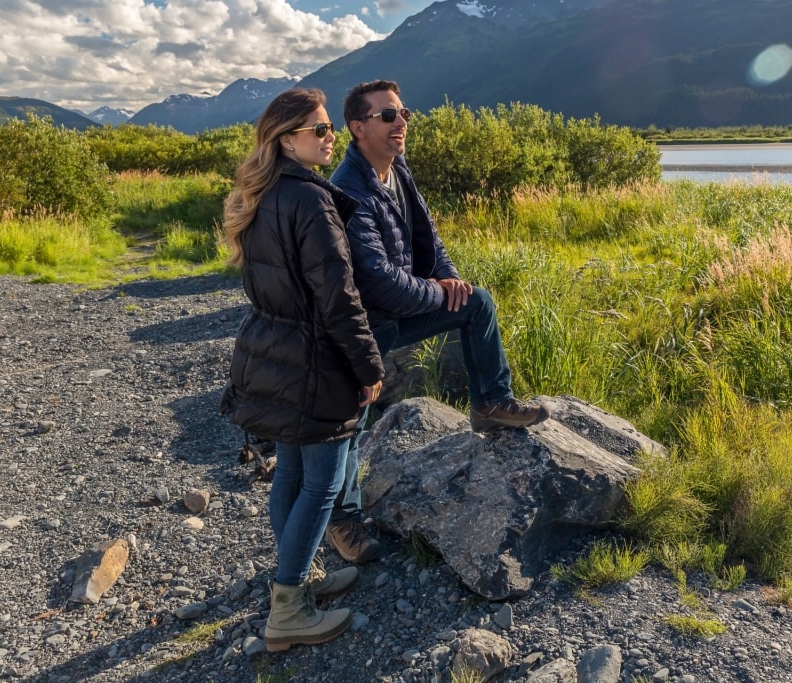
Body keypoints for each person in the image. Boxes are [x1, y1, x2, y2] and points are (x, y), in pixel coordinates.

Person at [325, 79, 550, 563]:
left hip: (397, 312)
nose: (401, 123)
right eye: (388, 116)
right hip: (361, 328)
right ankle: (342, 522)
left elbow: (431, 241)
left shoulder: (396, 171)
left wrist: (452, 283)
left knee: (477, 303)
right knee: (350, 423)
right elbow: (378, 282)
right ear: (357, 127)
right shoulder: (347, 189)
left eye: (404, 114)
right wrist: (436, 291)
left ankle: (490, 403)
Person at [220, 88, 384, 652]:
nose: (329, 136)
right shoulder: (311, 201)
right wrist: (367, 365)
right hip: (315, 361)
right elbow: (339, 297)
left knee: (291, 471)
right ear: (287, 139)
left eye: (328, 128)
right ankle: (287, 606)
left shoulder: (263, 194)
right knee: (323, 483)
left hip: (273, 351)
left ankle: (297, 578)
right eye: (319, 130)